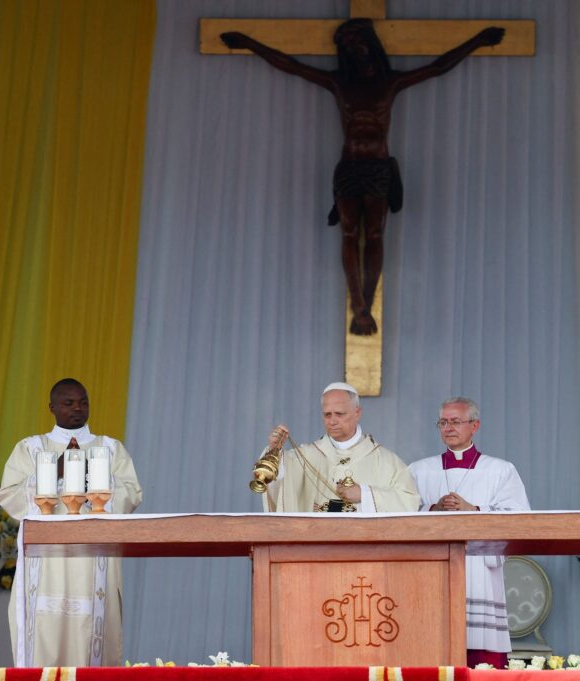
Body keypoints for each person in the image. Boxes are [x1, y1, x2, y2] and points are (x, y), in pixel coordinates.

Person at [221, 20, 505, 336]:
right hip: (350, 166)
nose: (354, 49)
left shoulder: (391, 83)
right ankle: (358, 303)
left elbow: (438, 67)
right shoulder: (338, 83)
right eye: (346, 45)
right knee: (348, 233)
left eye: (357, 41)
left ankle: (365, 305)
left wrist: (478, 41)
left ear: (370, 43)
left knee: (374, 234)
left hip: (378, 168)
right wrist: (249, 44)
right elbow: (292, 67)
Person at [0, 378, 143, 667]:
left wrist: (97, 477)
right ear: (52, 407)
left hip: (93, 559)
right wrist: (56, 469)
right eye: (69, 403)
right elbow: (9, 495)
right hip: (46, 562)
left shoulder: (110, 449)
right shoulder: (30, 448)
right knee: (44, 628)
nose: (78, 408)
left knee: (91, 631)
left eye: (83, 402)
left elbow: (131, 493)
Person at [408, 397, 529, 669]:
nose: (448, 428)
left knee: (480, 660)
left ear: (475, 426)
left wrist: (473, 509)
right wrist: (433, 508)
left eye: (455, 421)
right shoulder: (419, 470)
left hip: (479, 571)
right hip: (432, 568)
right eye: (443, 422)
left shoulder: (500, 470)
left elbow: (519, 518)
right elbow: (400, 513)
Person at [260, 382, 420, 512]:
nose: (332, 421)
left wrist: (364, 495)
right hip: (316, 540)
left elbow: (409, 501)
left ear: (357, 413)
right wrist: (275, 451)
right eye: (327, 414)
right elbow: (277, 484)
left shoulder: (385, 460)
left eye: (339, 414)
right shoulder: (305, 456)